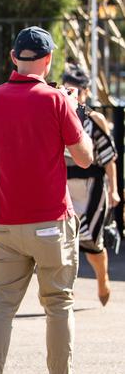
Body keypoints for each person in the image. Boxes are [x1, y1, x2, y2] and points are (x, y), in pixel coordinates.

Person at [0, 26, 94, 374]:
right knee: (58, 304)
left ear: (13, 57)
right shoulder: (57, 100)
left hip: (5, 220)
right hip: (50, 221)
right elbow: (85, 157)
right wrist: (73, 111)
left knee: (2, 306)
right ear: (47, 61)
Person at [62, 63, 120, 306]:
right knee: (65, 242)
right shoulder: (56, 115)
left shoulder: (94, 119)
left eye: (75, 90)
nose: (71, 94)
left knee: (91, 240)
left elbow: (108, 158)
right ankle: (65, 290)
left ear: (85, 93)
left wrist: (114, 190)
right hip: (64, 186)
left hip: (92, 187)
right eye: (66, 90)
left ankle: (102, 278)